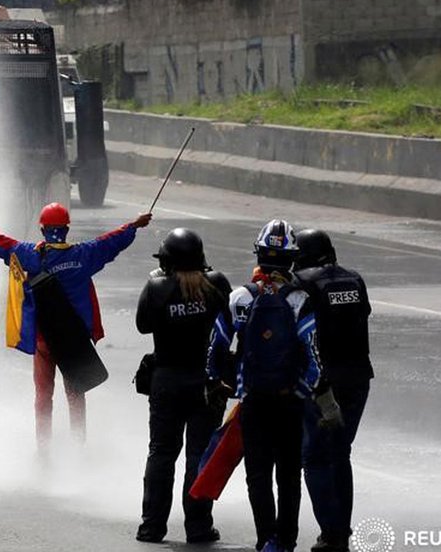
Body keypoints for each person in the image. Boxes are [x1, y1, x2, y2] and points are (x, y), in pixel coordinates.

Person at [0, 202, 152, 446]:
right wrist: (134, 224)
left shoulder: (30, 255)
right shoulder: (84, 255)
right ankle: (78, 445)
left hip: (44, 340)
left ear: (42, 229)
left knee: (43, 395)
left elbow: (0, 243)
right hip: (75, 341)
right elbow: (112, 241)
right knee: (76, 394)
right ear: (66, 229)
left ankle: (43, 448)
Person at [207, 219, 339, 552]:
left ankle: (265, 538)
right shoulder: (299, 300)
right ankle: (287, 540)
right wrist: (304, 391)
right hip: (289, 403)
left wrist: (223, 384)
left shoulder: (240, 297)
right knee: (289, 476)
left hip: (253, 401)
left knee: (258, 475)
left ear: (259, 255)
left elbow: (216, 347)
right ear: (292, 259)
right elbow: (313, 356)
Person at [135, 228, 231, 545]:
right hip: (207, 382)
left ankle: (152, 527)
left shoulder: (157, 287)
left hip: (167, 381)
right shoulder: (216, 285)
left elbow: (143, 325)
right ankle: (199, 526)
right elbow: (232, 323)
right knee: (199, 456)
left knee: (161, 453)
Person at [292, 229, 373, 552]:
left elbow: (298, 330)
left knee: (314, 456)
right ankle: (341, 530)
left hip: (321, 381)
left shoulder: (302, 282)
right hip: (358, 378)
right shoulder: (355, 280)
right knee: (340, 454)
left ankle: (331, 532)